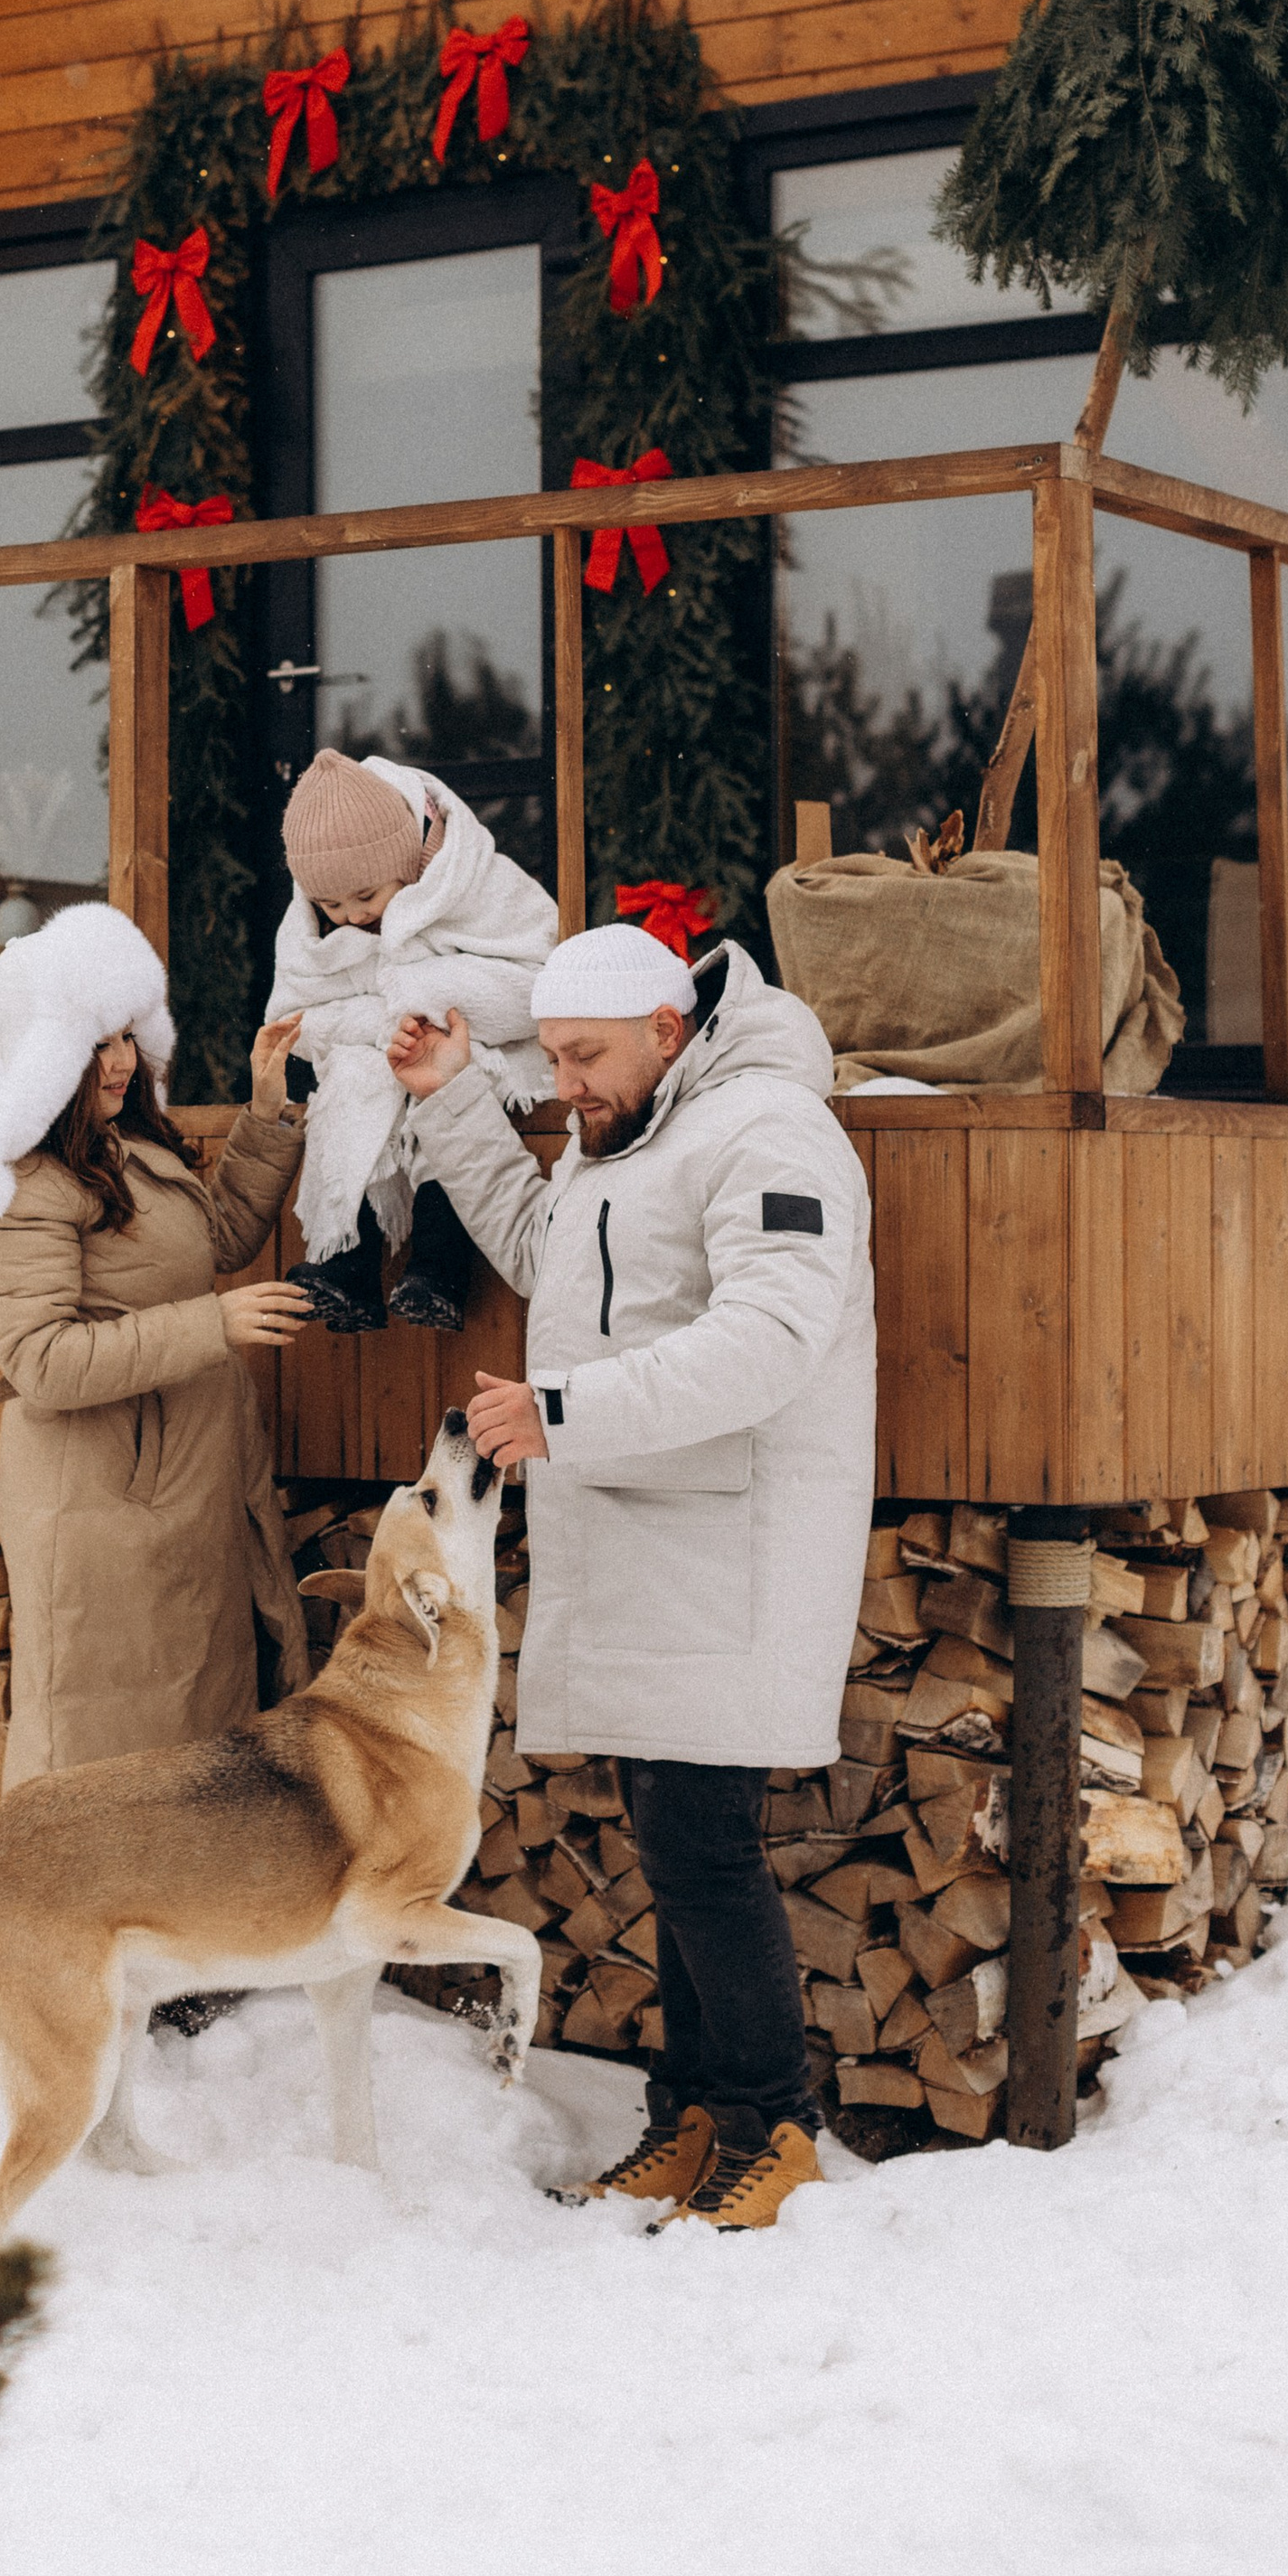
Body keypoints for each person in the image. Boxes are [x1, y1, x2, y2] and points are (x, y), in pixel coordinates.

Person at [387, 917, 874, 2234]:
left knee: (705, 1845)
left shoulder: (771, 1134)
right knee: (673, 1835)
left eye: (586, 1056)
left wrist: (563, 1416)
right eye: (550, 1058)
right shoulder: (633, 1143)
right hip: (654, 1539)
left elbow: (771, 1341)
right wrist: (450, 1107)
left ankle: (780, 2125)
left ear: (672, 1030)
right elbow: (556, 1261)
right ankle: (697, 2114)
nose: (566, 1086)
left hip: (734, 1549)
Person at [0, 900, 315, 1786]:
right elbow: (39, 1362)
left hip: (183, 1478)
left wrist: (264, 1115)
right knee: (103, 1761)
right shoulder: (18, 1182)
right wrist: (208, 1327)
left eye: (126, 1036)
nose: (118, 1061)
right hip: (101, 1498)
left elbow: (211, 1242)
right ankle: (60, 1919)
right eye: (94, 1041)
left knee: (193, 1753)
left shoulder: (120, 1142)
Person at [268, 747, 557, 1332]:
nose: (349, 917)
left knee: (450, 1091)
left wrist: (424, 998)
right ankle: (347, 1262)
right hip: (380, 1055)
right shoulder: (310, 928)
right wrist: (384, 1023)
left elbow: (537, 983)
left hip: (473, 1052)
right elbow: (295, 1019)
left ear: (411, 865)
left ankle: (439, 1265)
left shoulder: (478, 882)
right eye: (330, 905)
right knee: (353, 1082)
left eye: (367, 898)